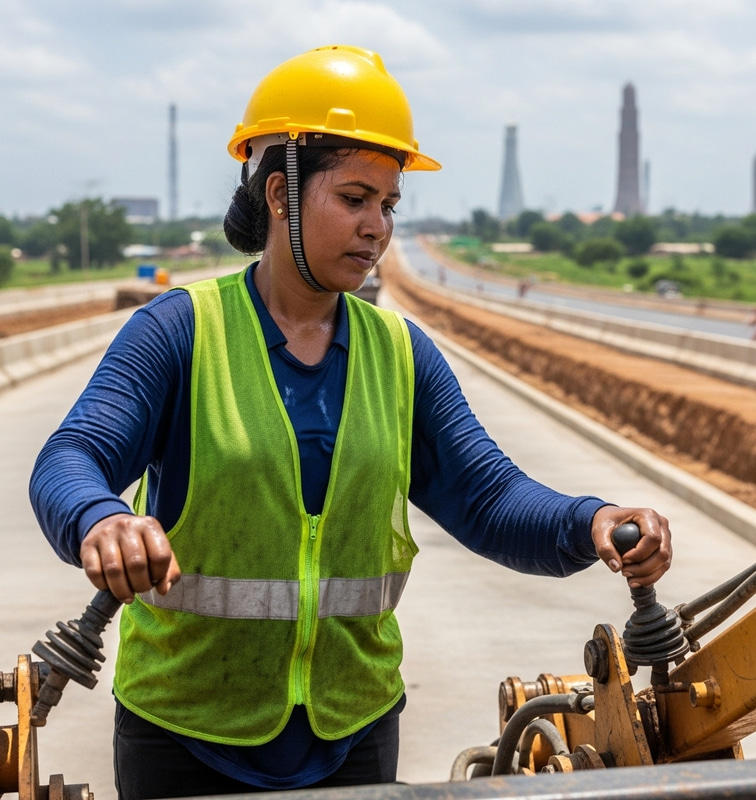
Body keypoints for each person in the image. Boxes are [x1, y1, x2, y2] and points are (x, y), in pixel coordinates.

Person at [29, 45, 672, 800]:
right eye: (355, 197)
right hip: (185, 739)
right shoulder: (180, 332)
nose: (377, 228)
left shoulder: (399, 355)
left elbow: (489, 497)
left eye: (389, 205)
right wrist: (99, 518)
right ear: (280, 194)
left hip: (354, 735)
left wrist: (592, 521)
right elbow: (73, 456)